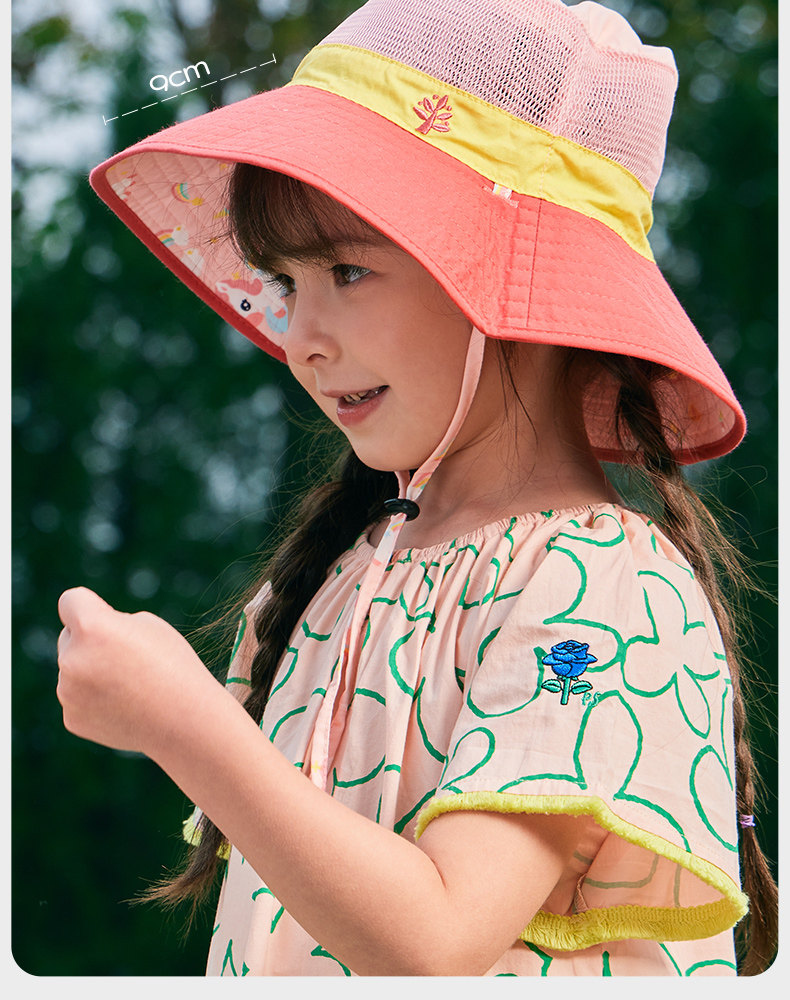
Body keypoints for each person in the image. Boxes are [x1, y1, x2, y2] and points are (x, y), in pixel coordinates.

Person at [57, 0, 777, 978]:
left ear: (518, 280)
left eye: (347, 270)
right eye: (286, 285)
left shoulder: (602, 581)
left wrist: (186, 724)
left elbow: (440, 939)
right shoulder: (335, 578)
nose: (302, 339)